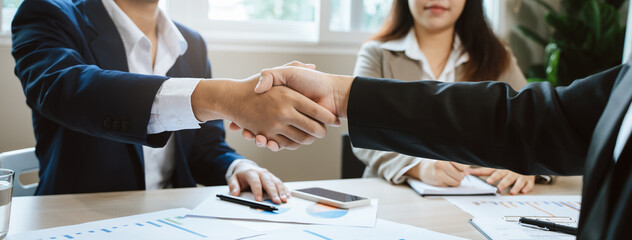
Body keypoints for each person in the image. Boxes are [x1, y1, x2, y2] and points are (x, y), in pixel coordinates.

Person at [240, 57, 632, 238]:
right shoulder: (381, 51)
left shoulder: (495, 54)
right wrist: (343, 95)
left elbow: (535, 126)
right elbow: (537, 120)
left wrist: (525, 165)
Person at [11, 0, 338, 203]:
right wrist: (222, 96)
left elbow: (204, 147)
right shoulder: (49, 13)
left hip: (172, 218)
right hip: (77, 220)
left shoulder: (191, 44)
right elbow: (64, 89)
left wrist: (237, 167)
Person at [351, 0, 547, 194]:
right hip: (393, 195)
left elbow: (541, 126)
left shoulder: (496, 57)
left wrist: (528, 165)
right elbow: (363, 134)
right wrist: (418, 167)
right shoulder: (377, 54)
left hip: (481, 200)